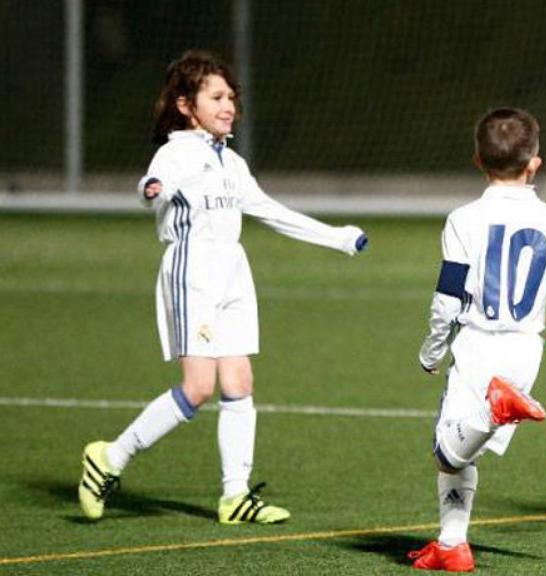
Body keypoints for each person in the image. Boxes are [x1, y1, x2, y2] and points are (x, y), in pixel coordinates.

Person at [77, 50, 367, 524]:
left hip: (233, 270)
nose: (228, 104)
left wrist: (337, 238)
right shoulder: (176, 152)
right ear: (187, 105)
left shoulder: (231, 162)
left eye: (231, 96)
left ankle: (234, 497)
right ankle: (109, 457)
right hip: (193, 269)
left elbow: (272, 212)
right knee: (197, 388)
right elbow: (154, 180)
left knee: (239, 381)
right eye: (216, 96)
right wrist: (151, 188)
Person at [408, 108, 546, 572]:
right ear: (535, 162)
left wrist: (432, 349)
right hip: (524, 351)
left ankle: (493, 412)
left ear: (478, 159)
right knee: (461, 455)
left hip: (478, 345)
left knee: (445, 449)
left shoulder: (463, 219)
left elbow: (447, 297)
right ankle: (452, 544)